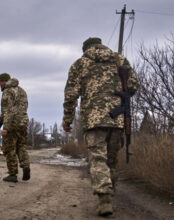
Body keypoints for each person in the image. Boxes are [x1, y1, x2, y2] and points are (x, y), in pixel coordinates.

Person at [62, 37, 139, 216]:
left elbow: (71, 94)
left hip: (93, 120)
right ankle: (109, 196)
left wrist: (68, 119)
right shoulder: (119, 59)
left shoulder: (80, 64)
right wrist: (119, 93)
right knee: (111, 160)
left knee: (98, 159)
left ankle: (104, 199)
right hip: (118, 119)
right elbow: (134, 85)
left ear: (85, 49)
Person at [0, 73, 30, 183]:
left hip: (12, 124)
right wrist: (0, 122)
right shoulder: (22, 91)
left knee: (9, 149)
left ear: (4, 81)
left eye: (0, 82)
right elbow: (23, 107)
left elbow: (8, 111)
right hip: (23, 122)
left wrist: (5, 127)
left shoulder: (7, 92)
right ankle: (25, 165)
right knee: (21, 146)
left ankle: (12, 174)